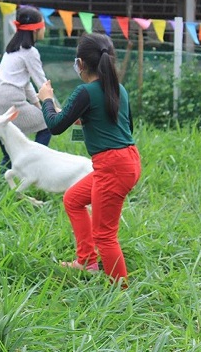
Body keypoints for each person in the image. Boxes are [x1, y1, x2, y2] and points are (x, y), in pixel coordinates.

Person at [37, 32, 141, 287]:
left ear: (81, 63)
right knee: (73, 199)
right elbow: (125, 125)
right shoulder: (118, 89)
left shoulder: (86, 91)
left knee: (105, 235)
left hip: (112, 166)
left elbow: (55, 126)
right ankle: (87, 261)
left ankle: (121, 293)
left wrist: (46, 100)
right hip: (127, 160)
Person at [0, 6, 51, 169]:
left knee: (7, 141)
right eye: (43, 25)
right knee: (48, 124)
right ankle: (36, 164)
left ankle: (4, 174)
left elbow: (26, 84)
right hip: (10, 99)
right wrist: (52, 107)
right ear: (36, 29)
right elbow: (41, 82)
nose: (45, 29)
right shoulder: (30, 52)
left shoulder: (12, 49)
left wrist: (38, 105)